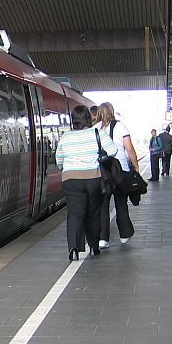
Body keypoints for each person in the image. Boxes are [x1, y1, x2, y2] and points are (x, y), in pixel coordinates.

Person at [56, 105, 117, 261]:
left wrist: (69, 167)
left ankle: (73, 249)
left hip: (71, 180)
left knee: (74, 214)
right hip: (93, 178)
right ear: (89, 118)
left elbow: (59, 160)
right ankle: (94, 247)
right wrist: (99, 156)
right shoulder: (97, 133)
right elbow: (113, 150)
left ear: (73, 120)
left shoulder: (66, 137)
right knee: (93, 213)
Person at [94, 103, 139, 249]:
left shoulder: (95, 129)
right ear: (112, 112)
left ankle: (103, 239)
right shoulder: (121, 127)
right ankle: (124, 235)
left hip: (102, 172)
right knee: (121, 203)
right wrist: (136, 166)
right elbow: (129, 148)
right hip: (120, 171)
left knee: (103, 206)